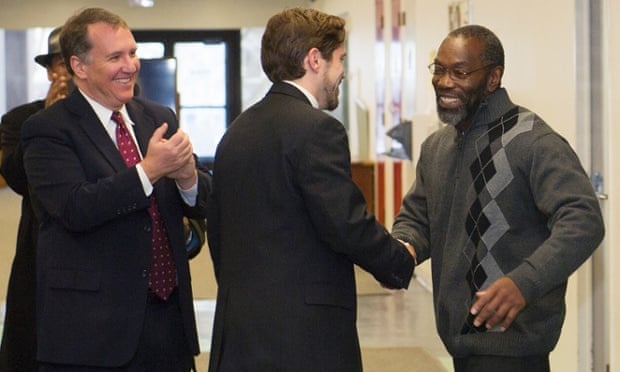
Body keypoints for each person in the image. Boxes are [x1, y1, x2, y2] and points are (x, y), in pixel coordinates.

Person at [206, 7, 415, 372]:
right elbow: (346, 223)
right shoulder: (319, 130)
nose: (344, 73)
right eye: (340, 60)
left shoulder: (235, 132)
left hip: (239, 334)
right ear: (314, 60)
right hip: (303, 338)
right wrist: (399, 262)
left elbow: (220, 234)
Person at [391, 25, 605, 372]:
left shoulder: (535, 142)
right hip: (460, 346)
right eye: (439, 69)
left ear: (493, 78)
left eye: (459, 72)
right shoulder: (437, 147)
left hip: (515, 351)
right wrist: (403, 248)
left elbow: (583, 219)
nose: (444, 82)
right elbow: (418, 218)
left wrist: (524, 282)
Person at [20, 8, 211, 371]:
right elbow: (74, 208)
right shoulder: (46, 130)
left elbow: (201, 203)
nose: (130, 66)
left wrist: (188, 177)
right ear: (79, 66)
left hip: (168, 325)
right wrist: (149, 170)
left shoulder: (159, 118)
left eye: (133, 53)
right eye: (115, 57)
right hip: (92, 334)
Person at [0, 26, 70, 372]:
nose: (66, 74)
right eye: (59, 66)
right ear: (49, 71)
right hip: (39, 254)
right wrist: (47, 118)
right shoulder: (20, 120)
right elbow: (17, 179)